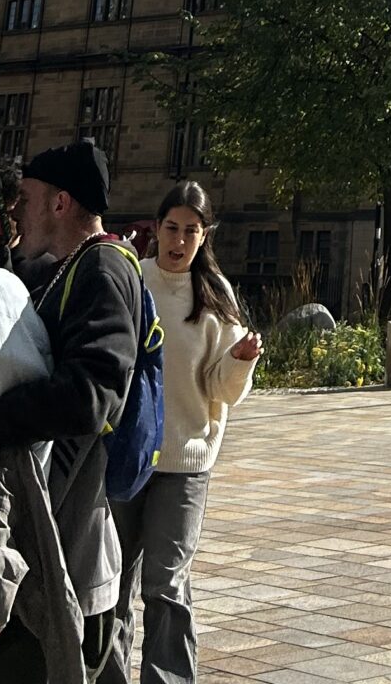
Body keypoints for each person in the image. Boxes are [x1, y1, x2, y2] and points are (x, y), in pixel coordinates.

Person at [0, 138, 143, 678]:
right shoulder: (64, 267)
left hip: (67, 550)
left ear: (60, 203)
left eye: (24, 199)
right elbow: (7, 315)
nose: (15, 211)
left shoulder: (102, 272)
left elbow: (92, 395)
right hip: (41, 542)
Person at [105, 182, 260, 684]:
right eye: (171, 228)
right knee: (113, 582)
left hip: (185, 460)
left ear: (204, 235)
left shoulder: (214, 295)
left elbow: (223, 391)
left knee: (166, 584)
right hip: (127, 455)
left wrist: (238, 363)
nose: (179, 240)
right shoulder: (132, 279)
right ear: (157, 228)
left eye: (191, 231)